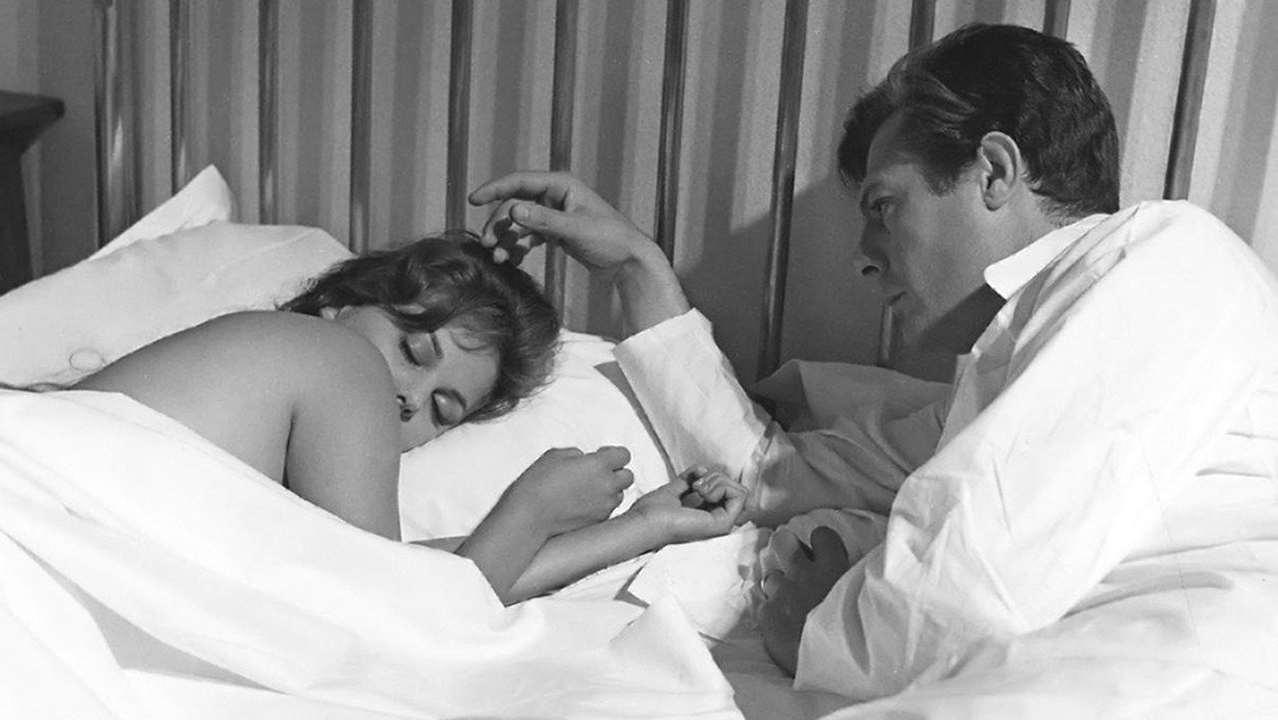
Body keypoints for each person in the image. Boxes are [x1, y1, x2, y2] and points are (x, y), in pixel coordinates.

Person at [468, 22, 1278, 709]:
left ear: (995, 172)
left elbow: (954, 607)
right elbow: (765, 476)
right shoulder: (992, 391)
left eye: (884, 208)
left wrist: (813, 626)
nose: (863, 255)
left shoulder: (1161, 259)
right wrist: (636, 269)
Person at [75, 232, 746, 605]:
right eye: (413, 351)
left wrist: (644, 525)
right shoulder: (332, 355)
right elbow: (384, 617)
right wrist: (529, 511)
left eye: (442, 409)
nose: (407, 399)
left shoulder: (275, 458)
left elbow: (411, 578)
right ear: (339, 306)